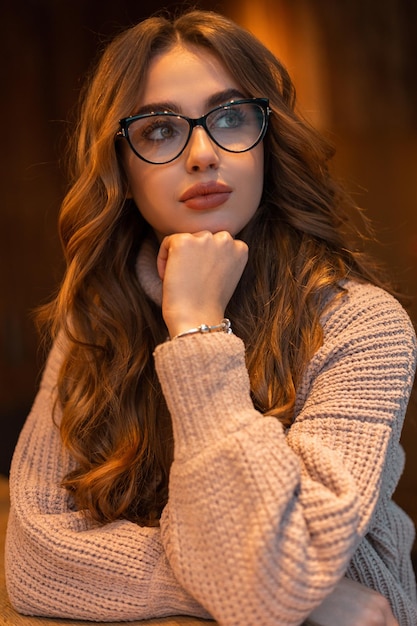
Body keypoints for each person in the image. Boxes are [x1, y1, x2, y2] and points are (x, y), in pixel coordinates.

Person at [5, 9, 417, 626]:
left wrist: (196, 327)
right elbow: (36, 563)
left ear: (267, 144)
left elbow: (269, 586)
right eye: (160, 130)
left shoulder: (362, 324)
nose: (203, 153)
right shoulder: (96, 320)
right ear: (122, 168)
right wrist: (313, 596)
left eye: (230, 118)